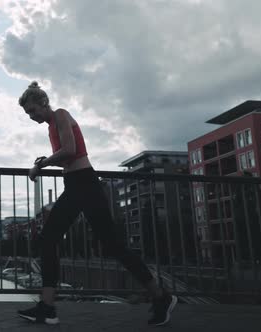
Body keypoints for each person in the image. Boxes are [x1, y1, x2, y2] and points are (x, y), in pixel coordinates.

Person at [16, 81, 177, 326]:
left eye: (33, 110)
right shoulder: (51, 126)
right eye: (28, 114)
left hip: (84, 184)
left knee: (100, 244)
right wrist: (47, 161)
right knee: (67, 241)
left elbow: (70, 150)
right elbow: (70, 157)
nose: (31, 116)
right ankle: (47, 307)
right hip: (77, 184)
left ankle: (160, 296)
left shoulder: (60, 115)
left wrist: (41, 165)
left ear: (44, 103)